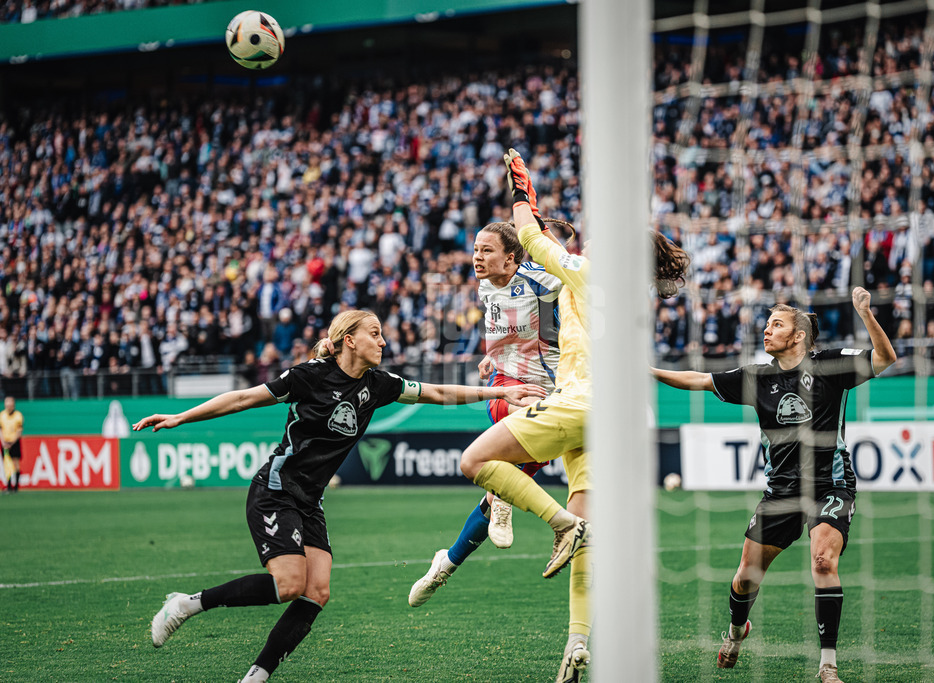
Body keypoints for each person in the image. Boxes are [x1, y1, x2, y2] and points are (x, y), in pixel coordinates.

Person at [133, 309, 544, 682]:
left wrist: (500, 394)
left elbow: (436, 392)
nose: (383, 342)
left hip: (310, 501)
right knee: (290, 583)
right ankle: (187, 605)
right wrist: (179, 417)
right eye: (375, 334)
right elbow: (242, 398)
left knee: (318, 591)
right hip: (276, 490)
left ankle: (255, 677)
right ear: (349, 339)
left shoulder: (378, 385)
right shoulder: (308, 376)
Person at [459, 149, 690, 682]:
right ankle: (578, 643)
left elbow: (533, 241)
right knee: (587, 523)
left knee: (475, 460)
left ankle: (556, 523)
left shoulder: (592, 275)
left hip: (581, 400)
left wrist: (521, 187)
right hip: (613, 417)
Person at [652, 288, 896, 683]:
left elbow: (885, 358)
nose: (766, 331)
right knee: (746, 576)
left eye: (776, 325)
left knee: (823, 560)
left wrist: (866, 315)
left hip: (831, 485)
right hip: (781, 491)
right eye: (767, 324)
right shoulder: (757, 377)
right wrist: (646, 371)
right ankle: (736, 631)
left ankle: (828, 664)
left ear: (798, 335)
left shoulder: (832, 366)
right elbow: (697, 379)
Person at [408, 219, 563, 607]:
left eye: (487, 250)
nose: (477, 257)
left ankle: (446, 563)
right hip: (509, 386)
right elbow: (502, 328)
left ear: (511, 258)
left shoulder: (540, 281)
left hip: (552, 391)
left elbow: (573, 277)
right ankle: (515, 506)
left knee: (502, 484)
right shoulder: (483, 286)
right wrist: (489, 355)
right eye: (476, 249)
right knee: (510, 405)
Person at [1, 396, 24, 492]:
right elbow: (0, 430)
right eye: (7, 405)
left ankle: (16, 487)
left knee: (16, 464)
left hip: (14, 442)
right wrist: (3, 442)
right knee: (7, 464)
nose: (9, 407)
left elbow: (19, 431)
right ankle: (9, 485)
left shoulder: (18, 415)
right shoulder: (2, 415)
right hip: (5, 442)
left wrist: (11, 443)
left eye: (10, 405)